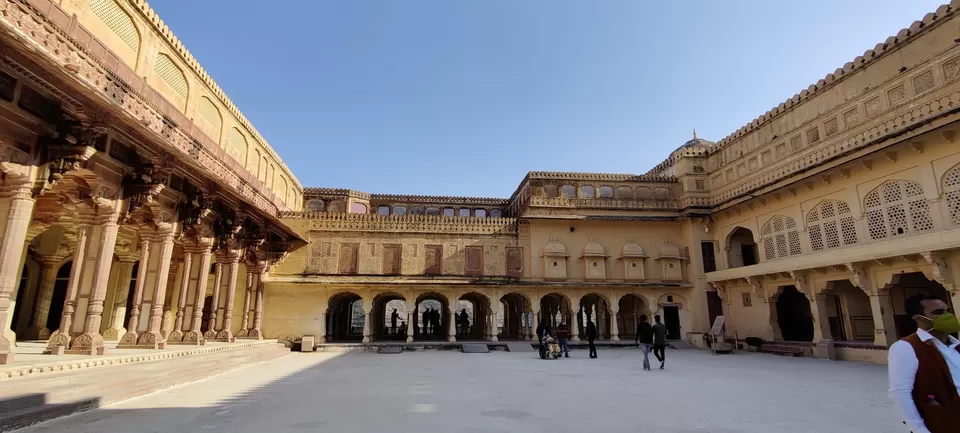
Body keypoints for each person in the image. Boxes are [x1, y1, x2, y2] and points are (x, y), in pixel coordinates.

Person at [888, 293, 960, 433]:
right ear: (919, 318)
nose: (947, 316)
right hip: (940, 423)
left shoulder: (956, 346)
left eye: (948, 311)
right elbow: (900, 393)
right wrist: (918, 428)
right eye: (938, 313)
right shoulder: (906, 347)